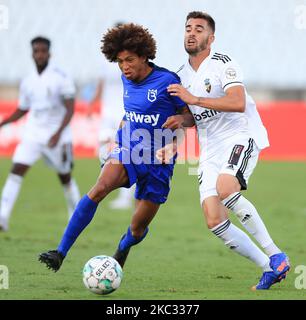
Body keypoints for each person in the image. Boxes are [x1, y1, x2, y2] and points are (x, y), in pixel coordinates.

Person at [38, 23, 189, 272]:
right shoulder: (125, 78)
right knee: (99, 188)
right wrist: (118, 138)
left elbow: (189, 117)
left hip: (159, 162)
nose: (124, 66)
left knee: (137, 228)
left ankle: (124, 246)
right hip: (129, 150)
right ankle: (60, 252)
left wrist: (177, 133)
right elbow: (132, 113)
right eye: (119, 61)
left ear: (144, 56)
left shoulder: (168, 81)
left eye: (129, 60)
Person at [159, 11, 290, 290]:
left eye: (199, 29)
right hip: (209, 148)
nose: (192, 33)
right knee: (214, 219)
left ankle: (276, 254)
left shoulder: (223, 63)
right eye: (188, 28)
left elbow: (237, 101)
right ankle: (269, 268)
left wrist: (193, 99)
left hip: (239, 135)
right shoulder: (180, 75)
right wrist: (180, 121)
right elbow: (195, 116)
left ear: (211, 37)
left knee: (226, 187)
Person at [0, 36, 81, 231]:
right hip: (33, 134)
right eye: (36, 51)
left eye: (43, 51)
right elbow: (23, 108)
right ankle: (2, 218)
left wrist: (57, 133)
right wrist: (4, 123)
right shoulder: (28, 80)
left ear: (49, 53)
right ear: (32, 53)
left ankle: (76, 218)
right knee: (16, 170)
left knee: (65, 177)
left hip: (57, 136)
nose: (39, 54)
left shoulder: (61, 76)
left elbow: (70, 109)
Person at [88, 22, 135, 210]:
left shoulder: (133, 60)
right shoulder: (106, 61)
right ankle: (111, 185)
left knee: (128, 154)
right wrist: (93, 103)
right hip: (107, 113)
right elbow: (101, 85)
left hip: (125, 113)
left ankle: (126, 197)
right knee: (105, 151)